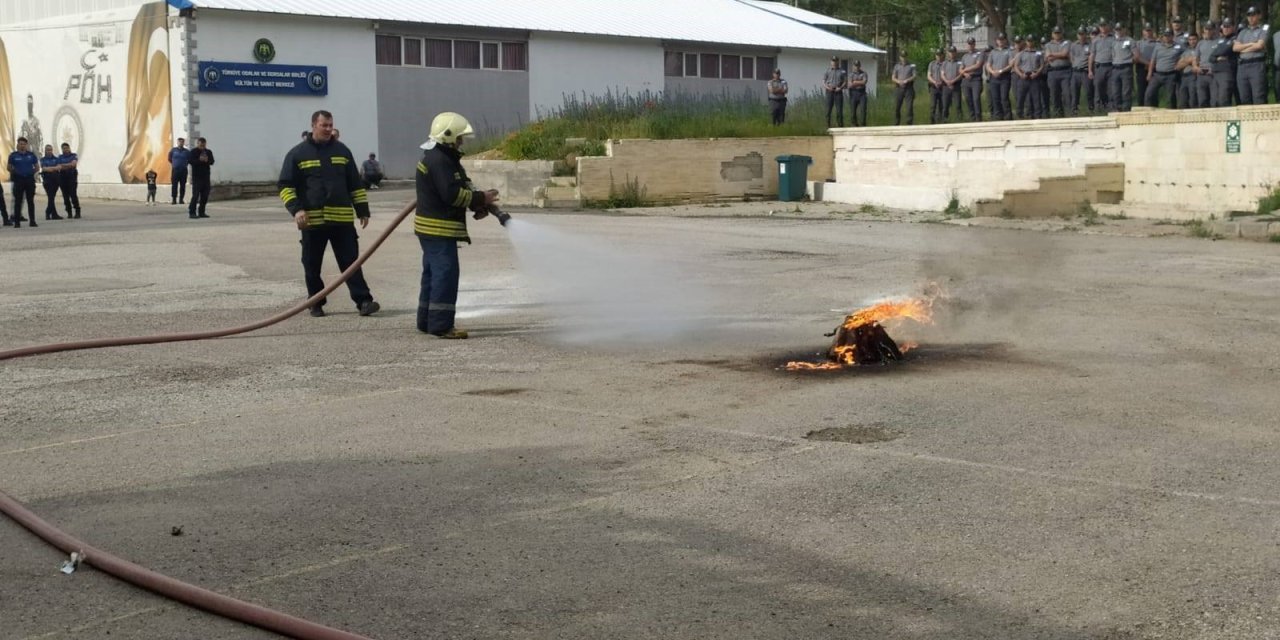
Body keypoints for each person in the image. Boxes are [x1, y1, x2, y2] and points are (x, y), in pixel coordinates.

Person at [278, 110, 380, 319]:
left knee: (350, 263)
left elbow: (355, 184)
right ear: (314, 125)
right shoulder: (297, 154)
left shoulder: (343, 151)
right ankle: (316, 303)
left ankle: (364, 301)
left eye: (330, 125)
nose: (328, 129)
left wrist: (362, 210)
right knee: (311, 264)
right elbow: (285, 185)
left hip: (341, 220)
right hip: (312, 221)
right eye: (324, 125)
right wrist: (296, 209)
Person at [415, 111, 501, 339]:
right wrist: (480, 199)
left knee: (432, 275)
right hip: (439, 229)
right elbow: (451, 195)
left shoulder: (439, 157)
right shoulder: (441, 160)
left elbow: (461, 184)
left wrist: (477, 203)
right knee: (445, 274)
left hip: (430, 228)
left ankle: (427, 320)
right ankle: (441, 325)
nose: (461, 142)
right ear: (448, 136)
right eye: (459, 138)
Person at [1233, 6, 1268, 105]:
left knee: (1258, 96)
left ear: (1259, 16)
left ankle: (1261, 120)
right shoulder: (1243, 32)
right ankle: (1247, 120)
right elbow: (1235, 48)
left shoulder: (1263, 29)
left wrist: (1243, 50)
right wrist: (1250, 44)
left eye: (1253, 15)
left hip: (1256, 65)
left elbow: (1259, 45)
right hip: (1242, 66)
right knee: (1244, 97)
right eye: (1249, 15)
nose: (1251, 18)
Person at [8, 137, 39, 228]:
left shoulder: (31, 155)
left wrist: (30, 173)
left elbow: (37, 167)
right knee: (18, 201)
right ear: (18, 145)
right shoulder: (13, 155)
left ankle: (32, 221)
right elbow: (9, 167)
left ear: (26, 145)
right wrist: (16, 172)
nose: (22, 145)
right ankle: (17, 222)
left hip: (29, 180)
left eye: (24, 144)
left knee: (30, 201)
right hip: (18, 180)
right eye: (21, 144)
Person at [1145, 29, 1182, 107]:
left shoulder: (1178, 46)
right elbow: (1153, 61)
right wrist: (1149, 73)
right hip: (1157, 75)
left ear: (1172, 36)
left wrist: (1179, 63)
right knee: (1149, 93)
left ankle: (1171, 113)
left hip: (1171, 74)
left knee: (1171, 96)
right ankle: (1150, 111)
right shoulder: (1158, 47)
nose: (1166, 37)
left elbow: (1185, 56)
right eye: (1165, 36)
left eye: (1168, 35)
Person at [1014, 36, 1045, 118]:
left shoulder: (1038, 53)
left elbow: (1042, 65)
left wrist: (1037, 73)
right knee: (1020, 98)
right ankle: (1019, 115)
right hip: (1023, 77)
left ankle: (1038, 116)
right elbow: (1016, 66)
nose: (1030, 42)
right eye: (1028, 41)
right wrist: (1021, 74)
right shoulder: (1021, 53)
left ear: (1034, 42)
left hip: (1034, 77)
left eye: (1031, 41)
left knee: (1036, 98)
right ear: (1026, 42)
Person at [1044, 27, 1071, 117]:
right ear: (1052, 34)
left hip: (1065, 71)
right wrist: (1060, 55)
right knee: (1054, 95)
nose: (1057, 34)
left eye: (1058, 33)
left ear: (1061, 33)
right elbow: (1048, 57)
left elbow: (1065, 53)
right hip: (1053, 72)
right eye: (1055, 33)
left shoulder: (1067, 42)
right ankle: (1058, 115)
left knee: (1067, 94)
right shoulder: (1048, 45)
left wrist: (1053, 55)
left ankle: (1069, 114)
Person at [986, 33, 1014, 120]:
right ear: (996, 41)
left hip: (1004, 77)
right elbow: (988, 65)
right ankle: (998, 116)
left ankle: (1008, 116)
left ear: (1005, 40)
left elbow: (1011, 64)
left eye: (1002, 39)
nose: (1001, 41)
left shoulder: (1009, 51)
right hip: (994, 77)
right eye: (999, 39)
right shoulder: (993, 52)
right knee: (995, 98)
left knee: (1004, 97)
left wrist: (1001, 71)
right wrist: (992, 72)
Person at [1090, 19, 1115, 113]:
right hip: (1099, 67)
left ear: (1108, 26)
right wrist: (1090, 70)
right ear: (1099, 27)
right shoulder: (1095, 40)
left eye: (1104, 25)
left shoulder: (1113, 38)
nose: (1103, 27)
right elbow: (1092, 55)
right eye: (1101, 26)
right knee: (1098, 87)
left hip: (1111, 66)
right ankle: (1098, 108)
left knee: (1111, 88)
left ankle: (1111, 108)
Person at [1110, 23, 1136, 112]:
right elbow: (1112, 54)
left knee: (1126, 91)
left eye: (1120, 29)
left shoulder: (1130, 40)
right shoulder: (1113, 41)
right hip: (1115, 68)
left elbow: (1136, 54)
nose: (1118, 31)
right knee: (1115, 90)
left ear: (1124, 29)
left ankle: (1126, 109)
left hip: (1126, 68)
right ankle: (1117, 108)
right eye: (1117, 29)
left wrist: (1129, 61)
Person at [187, 138, 214, 219]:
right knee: (195, 195)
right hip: (197, 177)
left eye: (204, 145)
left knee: (205, 195)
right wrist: (200, 160)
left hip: (206, 176)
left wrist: (207, 160)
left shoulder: (208, 152)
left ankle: (202, 212)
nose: (202, 146)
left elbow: (212, 161)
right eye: (201, 145)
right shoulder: (193, 152)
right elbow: (191, 161)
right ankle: (192, 212)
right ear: (197, 144)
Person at [1068, 27, 1092, 116]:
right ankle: (1074, 111)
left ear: (1086, 34)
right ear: (1077, 35)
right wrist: (1075, 64)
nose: (1081, 36)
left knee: (1089, 91)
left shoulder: (1090, 45)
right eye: (1079, 34)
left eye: (1083, 34)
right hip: (1075, 72)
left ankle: (1091, 109)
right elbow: (1071, 57)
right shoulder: (1073, 45)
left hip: (1085, 71)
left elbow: (1091, 57)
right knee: (1074, 93)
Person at [960, 37, 985, 121]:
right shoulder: (964, 56)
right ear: (967, 45)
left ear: (974, 44)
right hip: (966, 79)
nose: (970, 45)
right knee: (967, 98)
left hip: (976, 79)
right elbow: (960, 69)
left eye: (972, 44)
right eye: (969, 44)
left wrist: (966, 69)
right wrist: (964, 73)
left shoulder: (979, 54)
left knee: (976, 98)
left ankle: (978, 117)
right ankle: (972, 116)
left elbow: (977, 65)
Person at [1197, 23, 1220, 107]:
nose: (1208, 31)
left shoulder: (1218, 41)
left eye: (1210, 29)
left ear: (1214, 30)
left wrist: (1214, 68)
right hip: (1201, 74)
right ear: (1204, 30)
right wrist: (1196, 68)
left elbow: (1222, 58)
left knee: (1214, 100)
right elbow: (1196, 58)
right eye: (1206, 29)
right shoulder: (1200, 43)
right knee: (1202, 100)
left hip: (1213, 74)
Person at [1135, 24, 1158, 105]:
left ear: (1152, 31)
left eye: (1149, 30)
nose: (1148, 32)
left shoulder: (1157, 43)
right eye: (1146, 30)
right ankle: (1141, 109)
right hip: (1141, 68)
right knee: (1141, 90)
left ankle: (1154, 108)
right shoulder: (1138, 43)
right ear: (1143, 31)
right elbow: (1136, 57)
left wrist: (1152, 65)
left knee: (1153, 91)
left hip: (1155, 69)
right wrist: (1149, 64)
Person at [1177, 33, 1201, 108]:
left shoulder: (1200, 49)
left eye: (1194, 39)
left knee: (1193, 99)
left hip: (1194, 76)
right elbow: (1177, 66)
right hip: (1184, 76)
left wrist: (1185, 61)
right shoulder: (1185, 52)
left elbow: (1198, 61)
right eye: (1190, 40)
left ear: (1198, 40)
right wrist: (1189, 61)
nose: (1192, 41)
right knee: (1182, 100)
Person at [891, 54, 916, 125]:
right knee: (897, 107)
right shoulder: (896, 66)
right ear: (900, 57)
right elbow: (893, 77)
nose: (903, 58)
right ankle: (896, 122)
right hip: (899, 88)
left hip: (908, 88)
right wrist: (898, 81)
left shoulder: (911, 65)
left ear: (907, 57)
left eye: (905, 56)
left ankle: (909, 123)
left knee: (909, 107)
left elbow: (914, 76)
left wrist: (907, 80)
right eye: (902, 56)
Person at [57, 143, 80, 219]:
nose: (65, 149)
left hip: (72, 177)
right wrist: (68, 165)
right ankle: (69, 212)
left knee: (73, 195)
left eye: (67, 148)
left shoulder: (73, 155)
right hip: (63, 177)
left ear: (69, 148)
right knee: (65, 196)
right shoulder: (60, 157)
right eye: (64, 148)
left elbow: (73, 164)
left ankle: (77, 211)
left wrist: (64, 165)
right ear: (62, 149)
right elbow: (59, 167)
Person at [39, 144, 62, 220]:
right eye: (47, 150)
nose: (49, 151)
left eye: (50, 150)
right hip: (47, 180)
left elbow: (59, 167)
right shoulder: (43, 159)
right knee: (51, 197)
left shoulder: (56, 158)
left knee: (51, 197)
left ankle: (51, 213)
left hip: (56, 180)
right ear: (45, 151)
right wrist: (54, 168)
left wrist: (51, 168)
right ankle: (50, 213)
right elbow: (44, 169)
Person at [822, 56, 846, 128]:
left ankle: (840, 127)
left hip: (838, 91)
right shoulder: (827, 71)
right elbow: (823, 81)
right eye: (833, 61)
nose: (834, 62)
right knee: (828, 110)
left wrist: (840, 88)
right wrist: (827, 87)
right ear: (831, 62)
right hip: (829, 91)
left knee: (839, 111)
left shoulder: (842, 71)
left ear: (838, 62)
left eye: (835, 61)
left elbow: (845, 82)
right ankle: (827, 126)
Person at [940, 47, 962, 122]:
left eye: (953, 52)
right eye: (950, 52)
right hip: (946, 87)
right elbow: (942, 74)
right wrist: (947, 82)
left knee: (958, 105)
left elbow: (961, 74)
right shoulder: (944, 63)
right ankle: (944, 120)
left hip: (956, 86)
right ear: (948, 53)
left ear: (956, 53)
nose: (952, 53)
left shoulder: (959, 62)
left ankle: (959, 120)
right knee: (945, 106)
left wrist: (953, 81)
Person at [846, 60, 869, 126]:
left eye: (858, 66)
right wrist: (859, 82)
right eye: (855, 66)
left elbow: (864, 82)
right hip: (853, 93)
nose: (856, 67)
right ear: (853, 66)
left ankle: (863, 124)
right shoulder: (851, 74)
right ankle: (854, 124)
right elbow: (850, 84)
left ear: (860, 66)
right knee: (853, 111)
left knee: (863, 110)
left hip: (862, 93)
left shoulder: (864, 73)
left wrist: (855, 82)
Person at [927, 49, 946, 124]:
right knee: (933, 105)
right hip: (933, 87)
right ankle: (932, 121)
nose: (938, 56)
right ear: (935, 56)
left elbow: (946, 75)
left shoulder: (945, 64)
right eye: (937, 55)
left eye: (940, 55)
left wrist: (942, 82)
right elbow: (928, 75)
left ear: (942, 55)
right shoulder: (931, 64)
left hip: (943, 86)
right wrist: (934, 82)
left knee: (942, 105)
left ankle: (941, 121)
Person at [168, 138, 189, 205]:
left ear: (184, 143)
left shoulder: (186, 151)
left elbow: (189, 159)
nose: (181, 143)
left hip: (183, 170)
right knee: (174, 185)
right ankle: (174, 199)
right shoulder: (173, 150)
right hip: (175, 170)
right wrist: (175, 164)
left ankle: (181, 199)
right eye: (179, 142)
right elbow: (169, 158)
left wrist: (184, 164)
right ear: (177, 142)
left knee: (183, 185)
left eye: (182, 142)